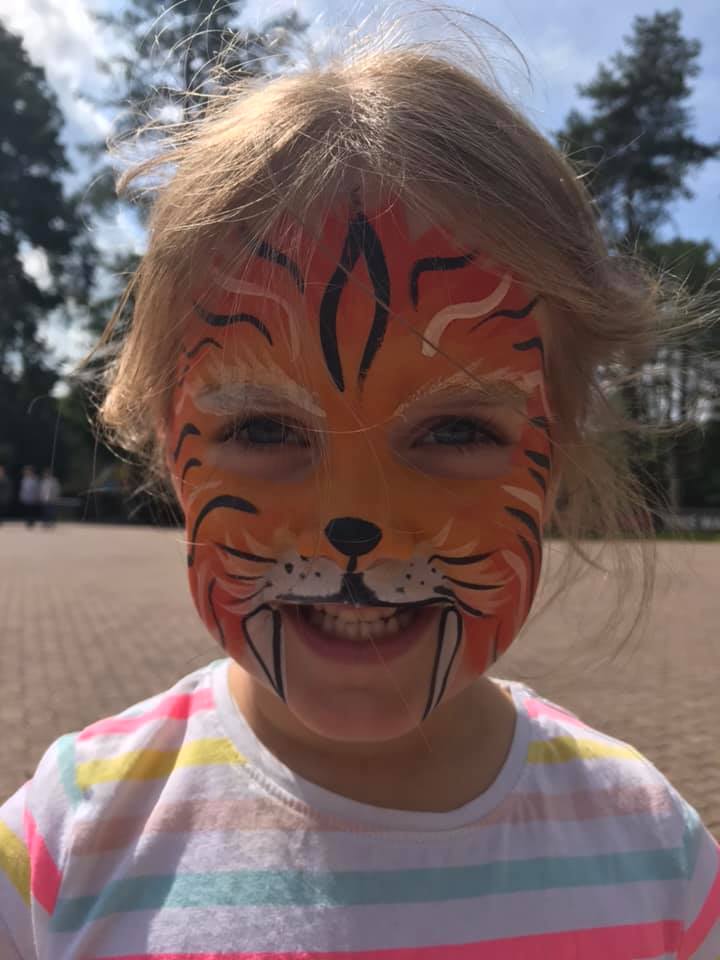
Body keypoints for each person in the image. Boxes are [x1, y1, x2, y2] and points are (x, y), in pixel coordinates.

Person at [1, 27, 718, 959]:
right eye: (263, 429)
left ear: (558, 452)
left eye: (458, 430)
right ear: (170, 449)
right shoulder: (64, 846)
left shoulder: (653, 856)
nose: (363, 526)